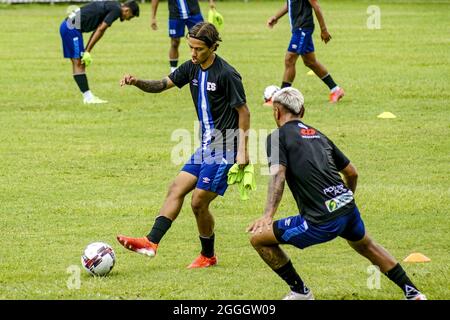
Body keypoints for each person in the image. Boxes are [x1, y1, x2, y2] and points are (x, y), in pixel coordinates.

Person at [247, 87, 427, 300]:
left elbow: (278, 176)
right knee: (368, 245)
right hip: (347, 209)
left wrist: (267, 215)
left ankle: (300, 292)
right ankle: (413, 293)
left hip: (320, 221)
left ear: (276, 111)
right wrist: (344, 198)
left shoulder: (277, 137)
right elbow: (352, 172)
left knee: (258, 239)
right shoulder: (318, 135)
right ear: (302, 110)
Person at [117, 22, 250, 269]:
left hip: (226, 147)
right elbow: (161, 85)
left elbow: (243, 111)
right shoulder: (191, 68)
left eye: (199, 49)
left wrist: (243, 150)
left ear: (213, 47)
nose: (193, 53)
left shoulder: (227, 74)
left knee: (198, 202)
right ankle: (150, 242)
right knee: (176, 188)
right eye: (191, 48)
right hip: (206, 146)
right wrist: (137, 82)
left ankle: (208, 256)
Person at [59, 1, 140, 104]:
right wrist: (87, 51)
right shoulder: (116, 10)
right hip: (72, 29)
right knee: (79, 63)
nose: (128, 19)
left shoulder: (113, 4)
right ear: (127, 10)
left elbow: (99, 28)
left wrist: (86, 50)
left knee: (78, 63)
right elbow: (101, 29)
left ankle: (87, 97)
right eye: (131, 16)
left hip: (67, 26)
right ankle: (88, 98)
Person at [267, 0, 345, 103]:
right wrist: (276, 17)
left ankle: (281, 98)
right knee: (310, 61)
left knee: (289, 60)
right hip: (298, 29)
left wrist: (324, 29)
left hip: (303, 28)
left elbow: (316, 6)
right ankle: (336, 90)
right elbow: (290, 3)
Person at [150, 0, 216, 72]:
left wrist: (211, 1)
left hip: (194, 12)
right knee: (174, 42)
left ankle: (205, 68)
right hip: (175, 14)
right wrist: (153, 17)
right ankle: (173, 70)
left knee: (202, 40)